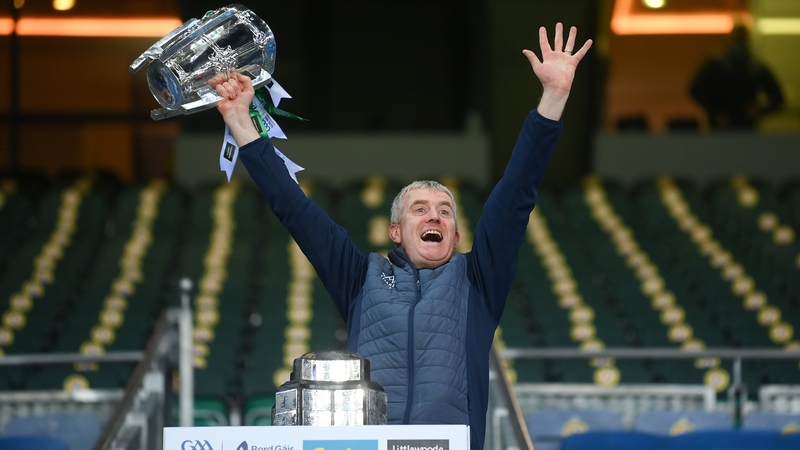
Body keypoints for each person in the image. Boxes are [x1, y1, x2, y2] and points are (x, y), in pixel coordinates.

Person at [212, 23, 592, 450]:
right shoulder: (360, 277)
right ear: (395, 231)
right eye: (421, 209)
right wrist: (241, 122)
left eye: (445, 211)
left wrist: (553, 98)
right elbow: (295, 210)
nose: (435, 216)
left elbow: (516, 194)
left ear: (456, 232)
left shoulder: (477, 280)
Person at [690, 23, 784, 130]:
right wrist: (716, 112)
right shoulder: (717, 65)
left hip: (744, 125)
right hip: (723, 124)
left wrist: (759, 111)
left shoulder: (754, 67)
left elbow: (778, 98)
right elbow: (696, 90)